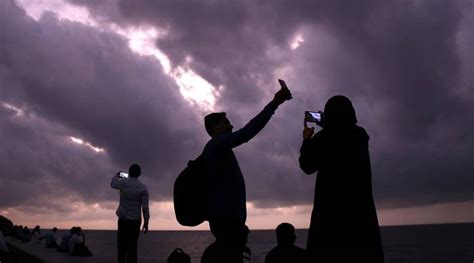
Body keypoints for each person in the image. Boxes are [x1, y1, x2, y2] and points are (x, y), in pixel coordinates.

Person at [202, 83, 292, 262]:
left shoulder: (218, 149)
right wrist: (274, 103)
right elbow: (247, 132)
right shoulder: (217, 145)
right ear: (214, 128)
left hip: (229, 225)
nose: (231, 125)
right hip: (227, 226)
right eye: (226, 123)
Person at [299, 95, 384, 262]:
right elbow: (341, 132)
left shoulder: (322, 138)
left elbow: (307, 166)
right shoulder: (360, 136)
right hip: (360, 217)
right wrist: (329, 124)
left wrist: (306, 139)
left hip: (329, 219)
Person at [111, 164, 150, 263]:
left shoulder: (123, 183)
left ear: (128, 172)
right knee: (133, 247)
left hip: (123, 220)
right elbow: (145, 207)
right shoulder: (143, 188)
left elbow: (113, 184)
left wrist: (118, 174)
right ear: (139, 174)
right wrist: (146, 222)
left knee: (121, 247)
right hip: (135, 221)